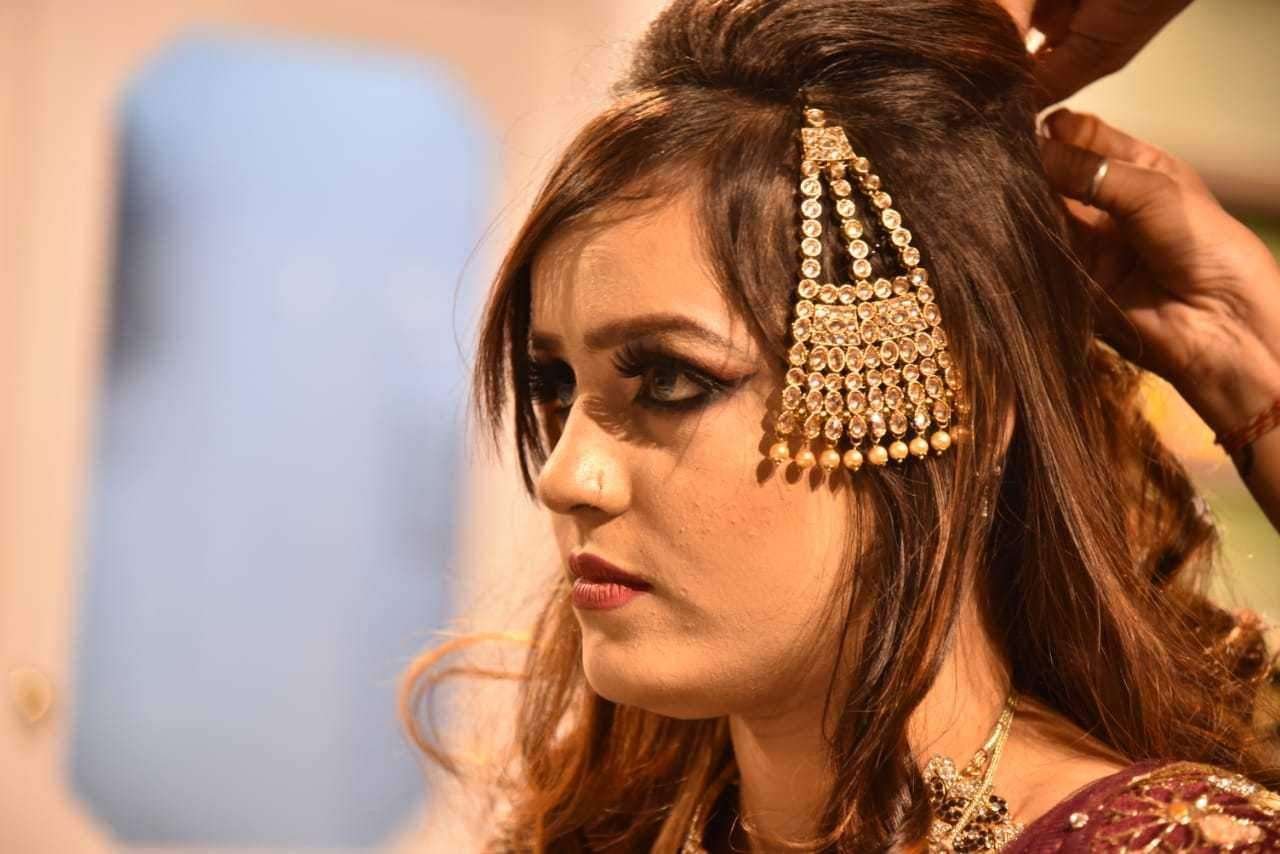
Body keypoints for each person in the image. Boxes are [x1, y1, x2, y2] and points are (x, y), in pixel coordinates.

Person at [403, 0, 1280, 850]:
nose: (564, 475)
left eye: (670, 380)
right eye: (555, 384)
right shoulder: (591, 831)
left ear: (962, 405)